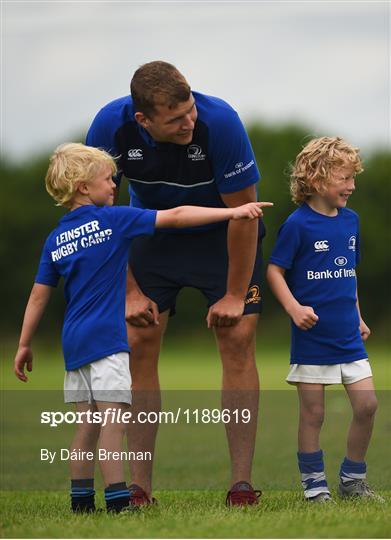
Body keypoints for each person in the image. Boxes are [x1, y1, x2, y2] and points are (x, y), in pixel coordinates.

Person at [14, 142, 270, 513]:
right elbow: (177, 215)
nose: (114, 186)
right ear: (84, 187)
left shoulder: (55, 239)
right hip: (107, 342)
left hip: (74, 346)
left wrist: (24, 344)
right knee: (114, 425)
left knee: (85, 428)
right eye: (107, 180)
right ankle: (120, 500)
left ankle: (81, 502)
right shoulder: (114, 219)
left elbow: (38, 298)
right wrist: (231, 213)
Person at [86, 60, 266, 505]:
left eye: (190, 110)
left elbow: (245, 214)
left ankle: (241, 485)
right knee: (137, 339)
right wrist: (128, 291)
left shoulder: (220, 121)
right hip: (155, 235)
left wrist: (232, 295)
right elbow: (99, 219)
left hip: (223, 235)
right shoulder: (110, 127)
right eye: (176, 119)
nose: (190, 122)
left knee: (238, 336)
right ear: (143, 119)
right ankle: (139, 487)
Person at [267, 136, 383, 502]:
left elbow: (349, 274)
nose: (352, 185)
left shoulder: (351, 221)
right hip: (313, 338)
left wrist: (358, 316)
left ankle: (352, 481)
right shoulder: (297, 225)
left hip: (348, 335)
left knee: (368, 406)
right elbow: (274, 271)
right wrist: (294, 309)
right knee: (314, 414)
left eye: (353, 178)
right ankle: (315, 486)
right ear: (316, 180)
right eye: (344, 178)